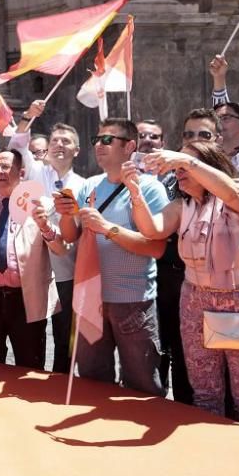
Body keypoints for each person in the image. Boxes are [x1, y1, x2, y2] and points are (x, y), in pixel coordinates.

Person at [123, 142, 239, 426]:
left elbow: (237, 199)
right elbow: (153, 229)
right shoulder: (183, 205)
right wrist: (135, 194)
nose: (178, 171)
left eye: (185, 166)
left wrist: (187, 160)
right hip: (195, 300)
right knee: (205, 390)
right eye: (178, 166)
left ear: (209, 164)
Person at [56, 118, 168, 396]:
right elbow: (71, 236)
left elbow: (155, 247)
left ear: (129, 146)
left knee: (142, 386)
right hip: (91, 297)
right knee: (93, 381)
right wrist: (66, 213)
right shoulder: (89, 185)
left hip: (133, 301)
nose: (99, 145)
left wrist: (107, 228)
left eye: (108, 139)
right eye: (97, 139)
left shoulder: (150, 189)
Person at [0, 150, 60, 370]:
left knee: (30, 367)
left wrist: (46, 228)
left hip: (26, 299)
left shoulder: (42, 205)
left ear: (22, 172)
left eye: (5, 167)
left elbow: (60, 248)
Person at [11, 103, 84, 373]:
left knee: (65, 338)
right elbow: (17, 145)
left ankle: (61, 384)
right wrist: (29, 117)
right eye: (55, 141)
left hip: (66, 272)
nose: (58, 145)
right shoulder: (35, 171)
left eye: (66, 141)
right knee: (33, 337)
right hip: (34, 269)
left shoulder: (83, 185)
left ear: (76, 150)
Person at [136, 119, 191, 404]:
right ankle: (155, 399)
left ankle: (183, 401)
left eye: (154, 136)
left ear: (163, 143)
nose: (148, 140)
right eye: (142, 135)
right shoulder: (122, 177)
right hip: (139, 272)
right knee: (152, 341)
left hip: (174, 272)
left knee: (180, 340)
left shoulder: (176, 179)